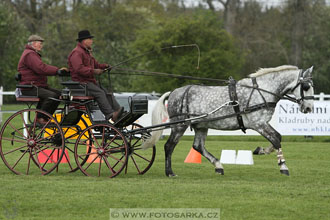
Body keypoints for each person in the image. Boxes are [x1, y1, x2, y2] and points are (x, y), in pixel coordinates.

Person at [68, 30, 123, 122]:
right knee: (100, 93)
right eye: (90, 39)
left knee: (107, 92)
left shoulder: (86, 52)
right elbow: (79, 69)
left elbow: (96, 65)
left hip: (89, 82)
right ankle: (111, 115)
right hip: (81, 83)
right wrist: (94, 71)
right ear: (84, 41)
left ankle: (118, 112)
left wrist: (104, 66)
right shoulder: (76, 53)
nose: (92, 41)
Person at [17, 34, 68, 124]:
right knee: (52, 96)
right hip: (29, 87)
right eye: (40, 43)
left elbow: (40, 68)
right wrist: (57, 71)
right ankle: (40, 118)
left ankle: (45, 117)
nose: (41, 45)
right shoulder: (30, 54)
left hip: (37, 86)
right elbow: (41, 68)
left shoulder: (32, 54)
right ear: (33, 44)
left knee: (59, 94)